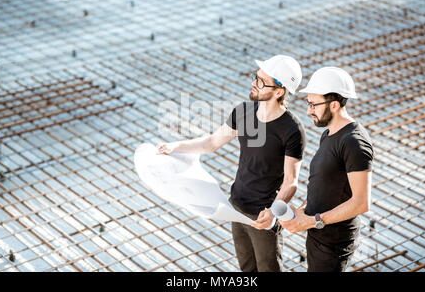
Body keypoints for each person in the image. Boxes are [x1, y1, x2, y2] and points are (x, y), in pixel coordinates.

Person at [157, 55, 306, 272]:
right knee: (246, 268)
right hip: (235, 206)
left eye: (262, 82)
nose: (254, 83)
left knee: (268, 269)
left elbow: (291, 182)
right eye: (256, 77)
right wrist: (176, 146)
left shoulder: (292, 129)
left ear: (279, 92)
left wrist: (274, 211)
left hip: (263, 214)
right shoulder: (243, 111)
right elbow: (211, 143)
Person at [280, 67, 374, 272]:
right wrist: (304, 210)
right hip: (318, 233)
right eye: (308, 103)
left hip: (334, 244)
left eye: (313, 104)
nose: (308, 110)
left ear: (334, 105)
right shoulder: (329, 133)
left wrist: (313, 221)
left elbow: (361, 203)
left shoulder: (354, 142)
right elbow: (324, 182)